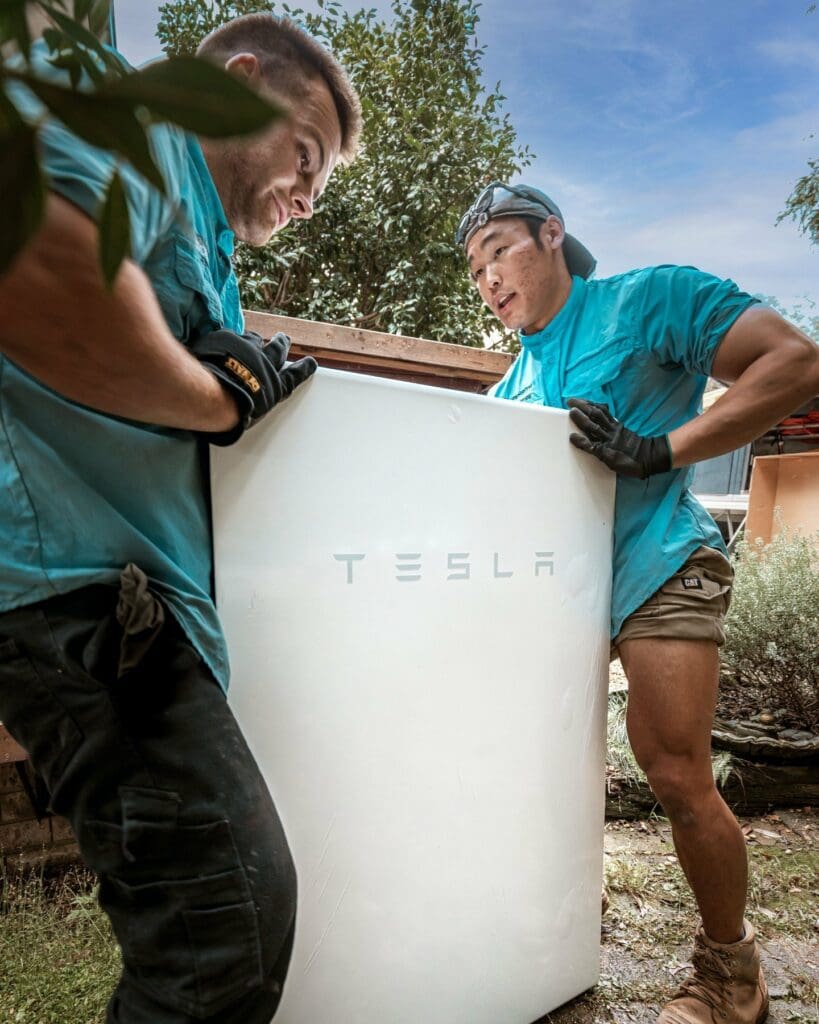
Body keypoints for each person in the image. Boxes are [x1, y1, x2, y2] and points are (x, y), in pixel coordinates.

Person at [0, 13, 360, 1023]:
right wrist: (219, 397)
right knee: (222, 935)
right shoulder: (135, 124)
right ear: (236, 84)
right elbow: (31, 256)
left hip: (128, 608)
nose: (306, 194)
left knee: (213, 927)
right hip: (75, 595)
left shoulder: (198, 230)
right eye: (305, 154)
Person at [457, 182, 819, 1024]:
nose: (488, 279)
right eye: (475, 270)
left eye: (500, 251)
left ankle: (733, 975)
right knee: (536, 766)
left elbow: (793, 362)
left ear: (552, 235)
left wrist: (661, 449)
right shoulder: (513, 381)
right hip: (562, 594)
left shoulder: (645, 299)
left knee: (672, 769)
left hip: (659, 565)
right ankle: (556, 923)